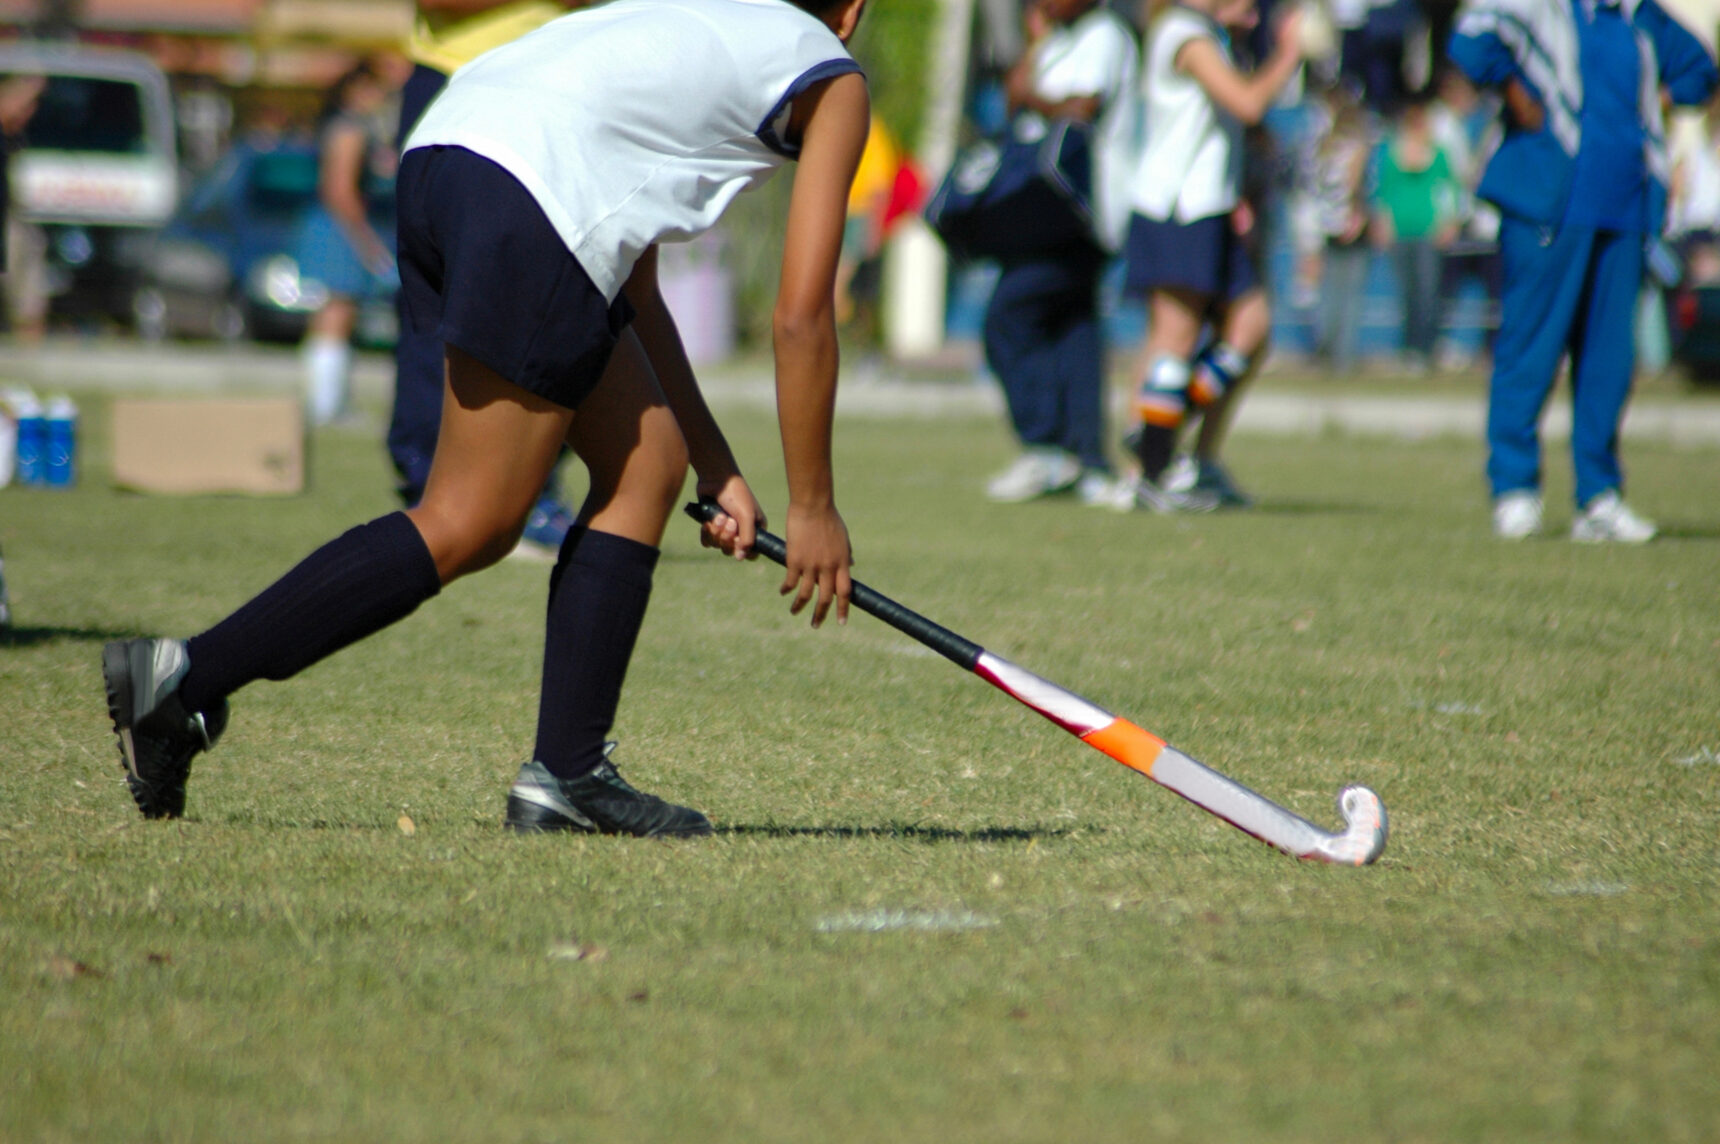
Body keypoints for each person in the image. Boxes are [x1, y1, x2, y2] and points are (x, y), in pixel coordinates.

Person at [100, 0, 870, 836]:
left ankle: (567, 775)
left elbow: (634, 291)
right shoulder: (828, 73)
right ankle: (183, 680)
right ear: (852, 10)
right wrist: (813, 508)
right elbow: (801, 319)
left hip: (445, 155)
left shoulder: (690, 25)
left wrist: (714, 464)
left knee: (648, 461)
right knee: (470, 519)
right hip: (528, 189)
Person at [1451, 0, 1717, 542]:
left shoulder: (1640, 16)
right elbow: (1471, 40)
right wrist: (1515, 90)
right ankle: (1515, 489)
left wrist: (1647, 108)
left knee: (1608, 361)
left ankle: (1598, 496)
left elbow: (1698, 73)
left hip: (1624, 206)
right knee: (1532, 350)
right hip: (1550, 202)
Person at [386, 0, 581, 556]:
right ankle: (429, 481)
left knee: (549, 292)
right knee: (436, 289)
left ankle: (531, 489)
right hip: (455, 77)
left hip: (558, 78)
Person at [1114, 0, 1303, 511]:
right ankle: (1151, 466)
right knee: (1173, 340)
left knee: (1251, 327)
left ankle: (1159, 440)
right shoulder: (1184, 33)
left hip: (1208, 207)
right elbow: (1246, 104)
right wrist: (1288, 55)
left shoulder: (1209, 34)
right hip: (1177, 209)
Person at [981, 0, 1139, 505]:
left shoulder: (1104, 34)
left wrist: (1033, 96)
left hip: (1080, 210)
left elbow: (1082, 109)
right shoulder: (1059, 38)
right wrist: (1035, 47)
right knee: (1075, 330)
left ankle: (1045, 445)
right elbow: (1013, 101)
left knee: (1008, 316)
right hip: (1046, 208)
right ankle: (1088, 459)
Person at [297, 60, 399, 426]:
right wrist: (368, 243)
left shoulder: (351, 128)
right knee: (336, 312)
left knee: (340, 313)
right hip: (339, 229)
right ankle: (325, 404)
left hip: (336, 226)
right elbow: (340, 191)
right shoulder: (349, 130)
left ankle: (332, 400)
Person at [1370, 94, 1462, 371]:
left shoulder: (1439, 152)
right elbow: (1382, 190)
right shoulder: (1389, 150)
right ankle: (1408, 348)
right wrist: (1382, 222)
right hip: (1400, 229)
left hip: (1428, 228)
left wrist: (1449, 221)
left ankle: (1425, 347)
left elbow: (1451, 189)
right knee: (1407, 292)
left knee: (1427, 290)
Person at [0, 73, 46, 345]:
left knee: (26, 299)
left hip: (12, 222)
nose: (29, 112)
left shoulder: (14, 138)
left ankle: (29, 364)